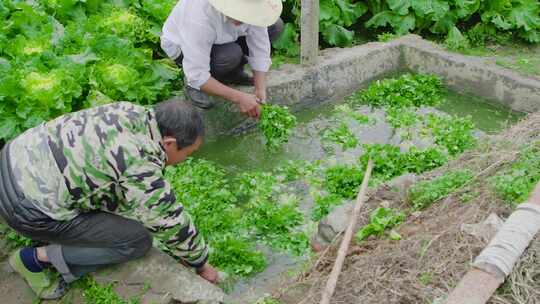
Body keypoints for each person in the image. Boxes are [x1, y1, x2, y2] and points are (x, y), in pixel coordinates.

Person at [0, 100, 218, 299]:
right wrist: (200, 263)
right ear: (170, 143)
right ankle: (35, 259)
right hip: (24, 210)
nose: (185, 160)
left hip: (11, 159)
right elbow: (169, 222)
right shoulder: (138, 163)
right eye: (188, 153)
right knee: (136, 240)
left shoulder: (130, 111)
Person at [161, 0, 284, 119]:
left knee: (275, 27)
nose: (243, 18)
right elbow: (197, 74)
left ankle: (231, 73)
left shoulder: (253, 10)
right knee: (230, 55)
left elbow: (259, 46)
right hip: (184, 48)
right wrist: (239, 98)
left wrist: (260, 90)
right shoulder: (199, 16)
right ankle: (192, 85)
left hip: (223, 39)